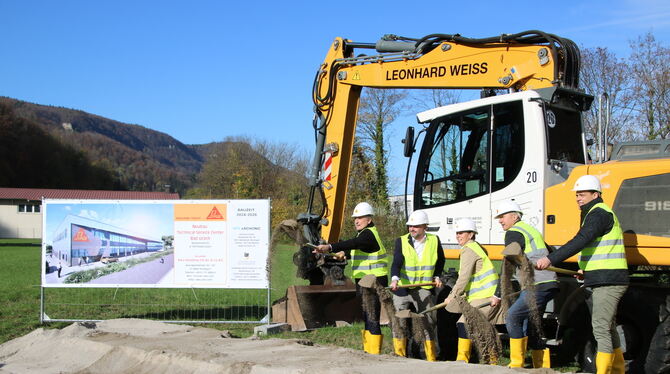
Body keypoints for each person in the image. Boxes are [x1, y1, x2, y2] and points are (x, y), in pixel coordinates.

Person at [536, 175, 628, 374]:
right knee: (608, 328)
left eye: (582, 194)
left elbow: (582, 239)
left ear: (595, 194)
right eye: (577, 194)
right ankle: (619, 370)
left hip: (608, 280)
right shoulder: (595, 213)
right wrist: (585, 270)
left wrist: (551, 258)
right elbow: (596, 248)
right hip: (601, 277)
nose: (578, 198)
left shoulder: (599, 213)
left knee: (600, 328)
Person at [313, 202, 388, 355]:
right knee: (367, 315)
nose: (356, 221)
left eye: (360, 217)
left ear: (369, 219)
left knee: (371, 315)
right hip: (365, 281)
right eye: (355, 218)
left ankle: (374, 353)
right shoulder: (363, 234)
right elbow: (358, 248)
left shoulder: (368, 234)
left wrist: (331, 247)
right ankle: (369, 350)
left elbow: (356, 243)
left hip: (373, 281)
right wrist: (344, 254)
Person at [491, 200, 559, 368]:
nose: (500, 220)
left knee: (513, 316)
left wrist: (497, 294)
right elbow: (551, 252)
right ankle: (541, 367)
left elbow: (507, 265)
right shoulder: (530, 230)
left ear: (515, 216)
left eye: (503, 216)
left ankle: (516, 364)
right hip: (547, 282)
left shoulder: (513, 232)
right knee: (533, 323)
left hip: (537, 283)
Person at [390, 210, 444, 361]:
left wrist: (437, 275)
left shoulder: (434, 240)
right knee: (399, 322)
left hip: (424, 288)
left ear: (425, 227)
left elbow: (440, 261)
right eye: (410, 226)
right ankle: (399, 356)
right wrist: (394, 279)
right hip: (403, 288)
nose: (411, 229)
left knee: (428, 321)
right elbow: (397, 262)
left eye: (415, 226)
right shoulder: (401, 241)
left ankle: (431, 357)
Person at [443, 218, 500, 363]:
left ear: (471, 234)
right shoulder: (475, 247)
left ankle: (463, 363)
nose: (458, 236)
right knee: (483, 329)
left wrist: (451, 296)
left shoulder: (469, 250)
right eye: (457, 233)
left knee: (464, 323)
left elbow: (463, 278)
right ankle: (491, 361)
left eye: (461, 233)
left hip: (486, 296)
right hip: (484, 296)